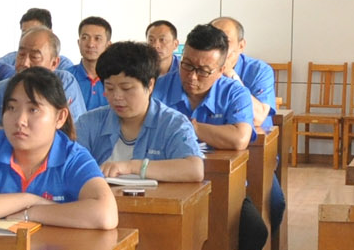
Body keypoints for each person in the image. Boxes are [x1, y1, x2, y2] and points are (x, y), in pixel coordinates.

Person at [0, 69, 116, 230]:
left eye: (33, 109)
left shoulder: (72, 157)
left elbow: (105, 215)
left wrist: (31, 213)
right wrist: (28, 199)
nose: (20, 120)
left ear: (60, 118)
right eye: (12, 108)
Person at [72, 42, 205, 182]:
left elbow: (194, 170)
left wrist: (132, 167)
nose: (117, 97)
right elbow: (69, 168)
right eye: (109, 88)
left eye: (126, 88)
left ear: (150, 85)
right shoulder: (88, 123)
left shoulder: (173, 123)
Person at [0, 28, 87, 142]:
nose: (25, 63)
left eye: (34, 57)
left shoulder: (64, 83)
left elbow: (76, 134)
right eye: (21, 55)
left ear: (54, 63)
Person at [151, 23, 256, 152]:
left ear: (220, 71)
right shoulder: (157, 88)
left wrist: (189, 126)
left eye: (203, 71)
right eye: (187, 65)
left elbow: (239, 139)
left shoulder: (235, 93)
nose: (192, 77)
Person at [212, 16, 276, 132]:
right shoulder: (200, 70)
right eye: (212, 40)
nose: (217, 46)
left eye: (225, 41)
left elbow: (258, 118)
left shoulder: (260, 70)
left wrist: (230, 73)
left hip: (254, 136)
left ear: (241, 46)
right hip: (213, 134)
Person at [70, 16, 112, 111]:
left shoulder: (116, 79)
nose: (90, 44)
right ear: (78, 42)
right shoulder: (67, 79)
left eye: (97, 38)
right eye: (85, 38)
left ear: (108, 45)